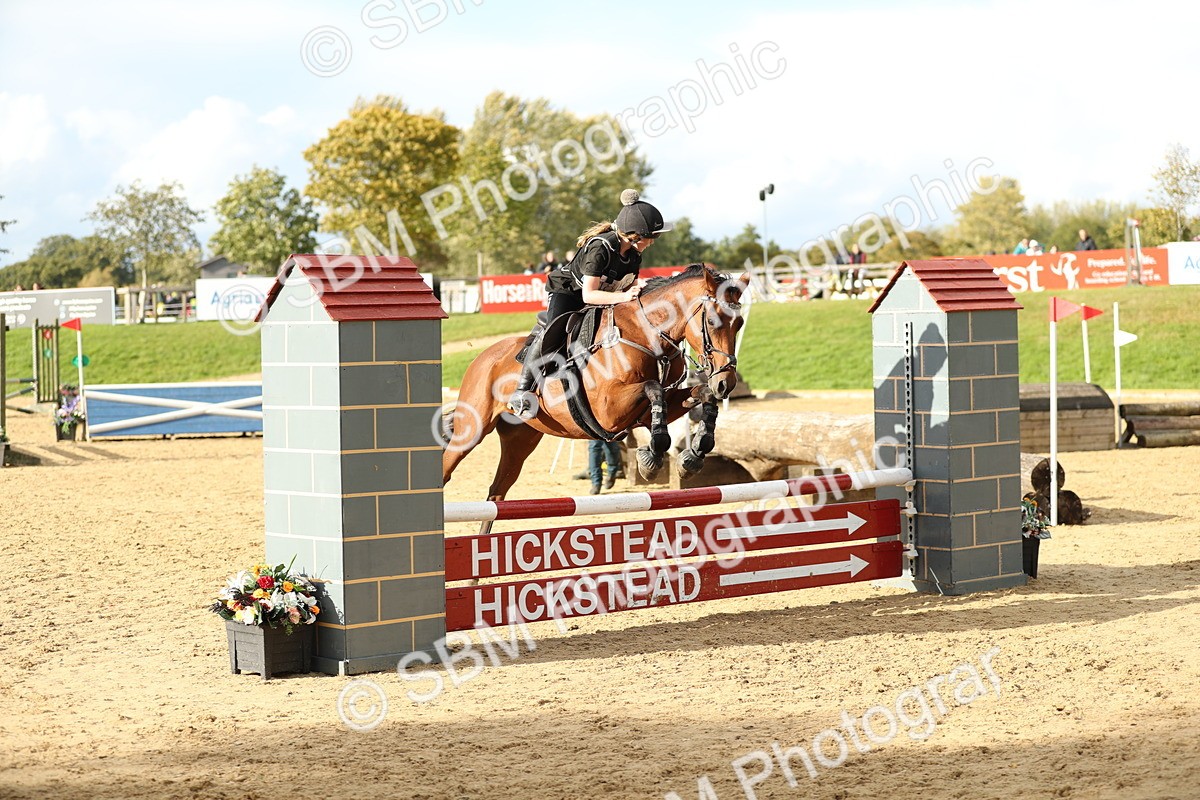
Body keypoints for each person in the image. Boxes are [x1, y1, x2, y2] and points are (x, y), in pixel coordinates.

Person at [507, 189, 671, 420]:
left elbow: (627, 286)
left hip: (604, 295)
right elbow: (589, 295)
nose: (653, 241)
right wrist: (624, 297)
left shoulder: (634, 255)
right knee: (555, 328)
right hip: (568, 293)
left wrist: (637, 291)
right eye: (651, 237)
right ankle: (522, 391)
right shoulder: (600, 248)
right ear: (634, 236)